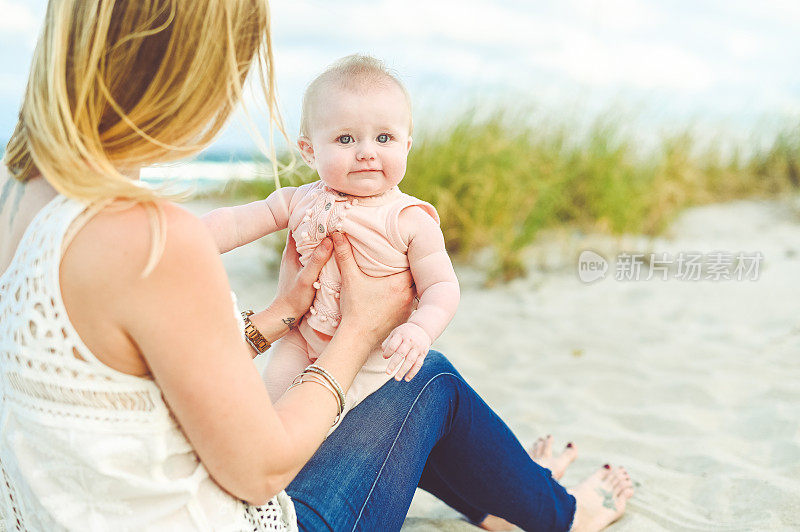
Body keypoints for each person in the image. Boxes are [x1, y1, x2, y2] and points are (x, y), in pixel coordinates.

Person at [0, 1, 634, 531]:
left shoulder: (21, 201)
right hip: (232, 505)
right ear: (193, 71)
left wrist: (275, 318)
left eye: (384, 138)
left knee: (401, 381)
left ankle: (512, 496)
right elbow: (259, 472)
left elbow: (135, 374)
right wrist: (365, 327)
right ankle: (553, 512)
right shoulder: (150, 240)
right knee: (427, 381)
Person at [201, 54, 460, 427]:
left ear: (406, 146)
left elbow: (442, 285)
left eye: (383, 138)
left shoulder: (410, 219)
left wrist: (421, 328)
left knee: (325, 426)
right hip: (300, 336)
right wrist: (187, 241)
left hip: (371, 357)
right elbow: (237, 221)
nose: (367, 151)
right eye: (345, 139)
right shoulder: (299, 199)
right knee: (269, 416)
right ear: (309, 151)